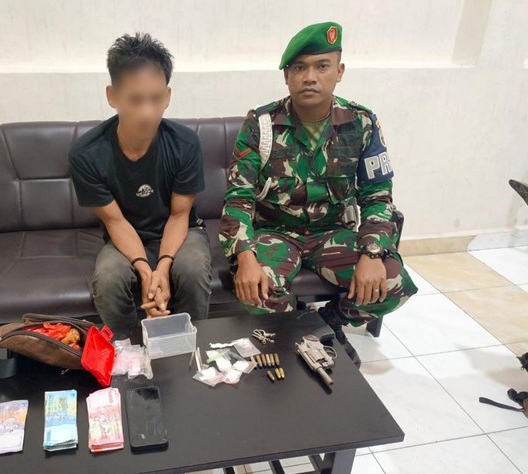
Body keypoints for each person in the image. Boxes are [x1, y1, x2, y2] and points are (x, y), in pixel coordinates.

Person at [219, 22, 418, 367]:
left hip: (333, 233)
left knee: (394, 283)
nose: (309, 77)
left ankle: (327, 324)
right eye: (299, 68)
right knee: (256, 289)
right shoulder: (260, 124)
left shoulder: (361, 123)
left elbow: (377, 195)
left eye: (321, 66)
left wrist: (372, 252)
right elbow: (239, 197)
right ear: (287, 76)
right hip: (275, 233)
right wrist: (245, 257)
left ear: (339, 72)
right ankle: (297, 334)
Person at [70, 33, 212, 340]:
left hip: (181, 230)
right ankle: (127, 350)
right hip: (125, 234)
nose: (147, 112)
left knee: (191, 270)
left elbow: (179, 215)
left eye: (156, 99)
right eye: (135, 100)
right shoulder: (87, 153)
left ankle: (189, 345)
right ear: (112, 96)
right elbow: (115, 221)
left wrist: (163, 267)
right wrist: (146, 271)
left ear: (168, 96)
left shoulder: (185, 144)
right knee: (108, 279)